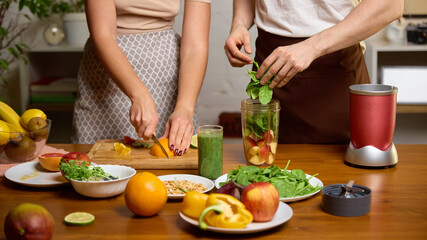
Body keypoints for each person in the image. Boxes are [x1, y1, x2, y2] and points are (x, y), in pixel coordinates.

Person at [224, 0, 403, 144]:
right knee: (266, 172)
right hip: (271, 70)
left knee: (343, 182)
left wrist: (312, 47)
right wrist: (239, 24)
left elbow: (391, 5)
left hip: (335, 71)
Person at [72, 0, 210, 156]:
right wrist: (138, 94)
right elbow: (104, 36)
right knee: (95, 166)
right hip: (108, 76)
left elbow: (195, 46)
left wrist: (185, 107)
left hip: (165, 80)